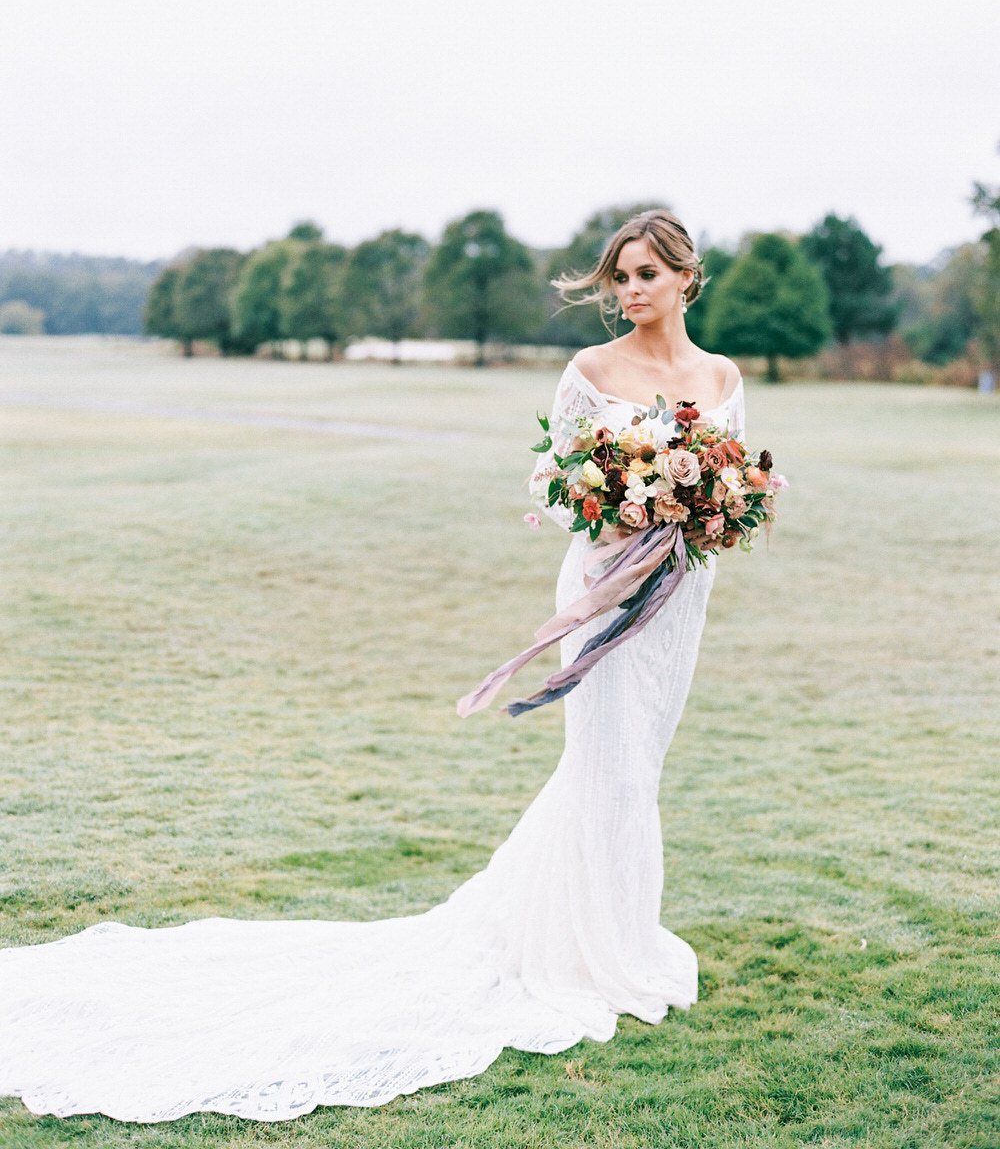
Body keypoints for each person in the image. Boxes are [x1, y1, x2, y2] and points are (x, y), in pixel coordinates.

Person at [0, 209, 744, 1125]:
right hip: (601, 585)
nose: (629, 291)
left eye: (644, 275)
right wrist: (621, 513)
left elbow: (732, 479)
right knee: (605, 759)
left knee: (644, 763)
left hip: (678, 598)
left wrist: (701, 509)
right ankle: (592, 951)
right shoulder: (590, 372)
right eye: (618, 277)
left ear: (684, 278)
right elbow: (555, 485)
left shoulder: (721, 377)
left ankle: (620, 932)